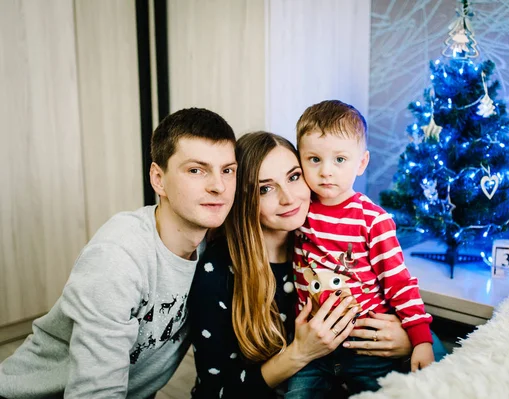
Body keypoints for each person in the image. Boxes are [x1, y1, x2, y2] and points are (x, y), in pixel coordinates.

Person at [0, 108, 237, 398]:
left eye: (227, 170)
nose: (219, 186)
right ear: (158, 179)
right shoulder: (117, 258)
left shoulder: (214, 247)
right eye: (196, 170)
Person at [188, 132, 422, 398]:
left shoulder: (323, 249)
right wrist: (300, 353)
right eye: (265, 188)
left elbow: (401, 298)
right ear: (244, 199)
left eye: (294, 176)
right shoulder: (218, 271)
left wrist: (406, 341)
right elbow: (215, 391)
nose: (288, 198)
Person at [287, 100, 434, 397]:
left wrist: (421, 340)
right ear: (300, 160)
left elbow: (399, 283)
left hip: (367, 346)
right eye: (314, 159)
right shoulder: (298, 211)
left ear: (361, 162)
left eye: (339, 159)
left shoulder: (373, 220)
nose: (326, 171)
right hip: (314, 347)